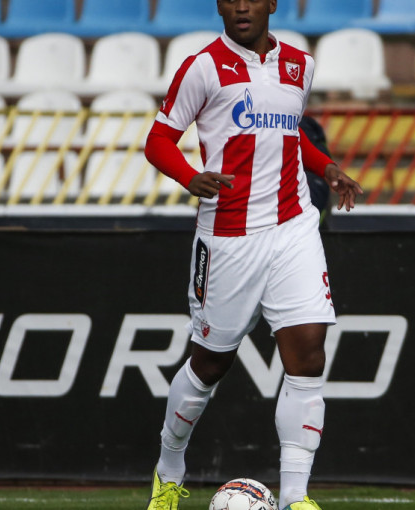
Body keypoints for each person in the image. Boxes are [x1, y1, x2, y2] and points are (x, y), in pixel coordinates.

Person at [143, 1, 362, 509]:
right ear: (220, 5)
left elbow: (289, 134)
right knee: (209, 365)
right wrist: (189, 176)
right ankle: (169, 470)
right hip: (228, 236)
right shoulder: (202, 67)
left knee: (308, 353)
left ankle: (295, 497)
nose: (241, 6)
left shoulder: (300, 65)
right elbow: (158, 140)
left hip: (293, 227)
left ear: (272, 4)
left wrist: (326, 167)